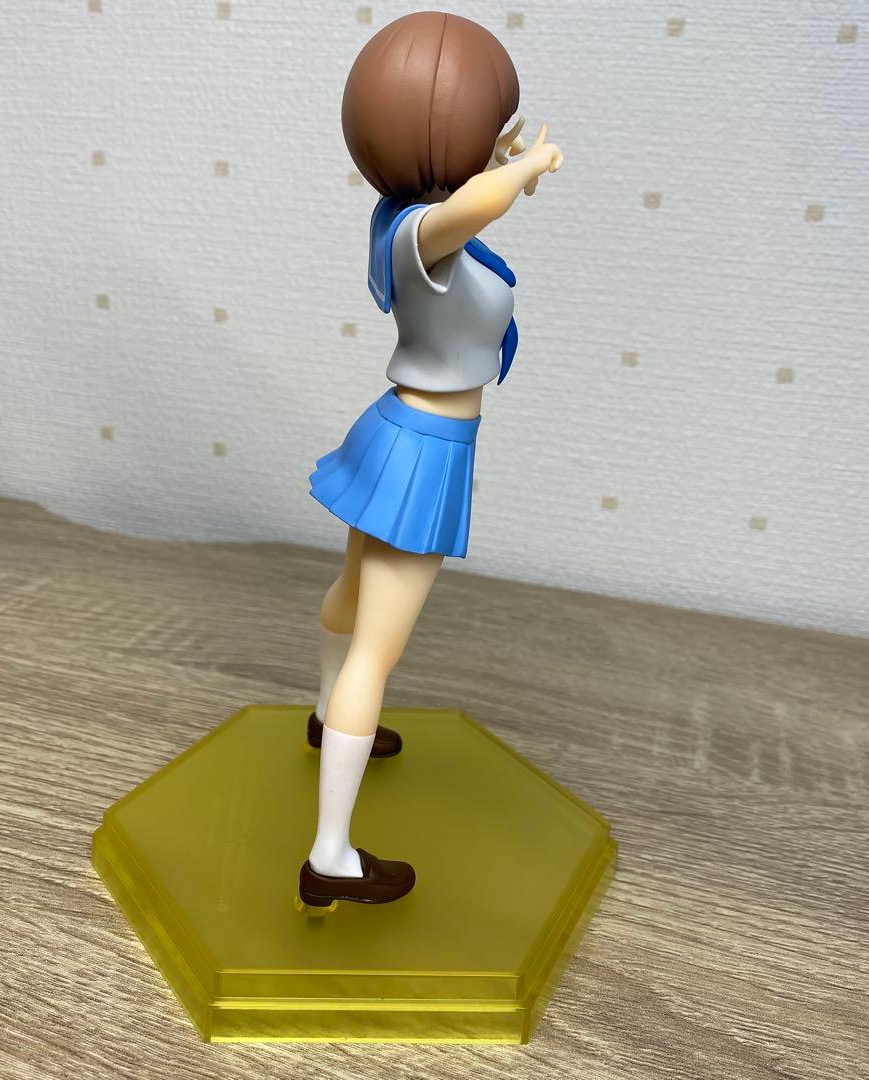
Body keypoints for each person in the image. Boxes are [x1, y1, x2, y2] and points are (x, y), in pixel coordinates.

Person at [298, 11, 564, 908]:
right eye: (483, 128)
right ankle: (330, 856)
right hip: (424, 452)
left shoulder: (402, 215)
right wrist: (523, 168)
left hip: (399, 433)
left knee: (350, 595)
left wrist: (497, 160)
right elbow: (474, 207)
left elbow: (470, 200)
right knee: (377, 654)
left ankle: (324, 713)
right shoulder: (426, 235)